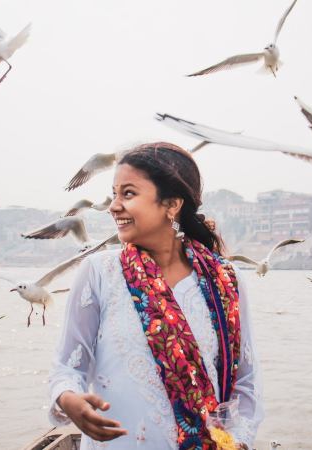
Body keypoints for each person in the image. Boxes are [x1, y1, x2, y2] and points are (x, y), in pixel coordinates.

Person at [48, 142, 263, 449]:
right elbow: (68, 366)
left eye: (128, 194)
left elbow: (245, 382)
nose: (113, 206)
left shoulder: (226, 281)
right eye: (114, 194)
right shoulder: (100, 273)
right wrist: (68, 398)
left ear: (172, 204)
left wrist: (238, 440)